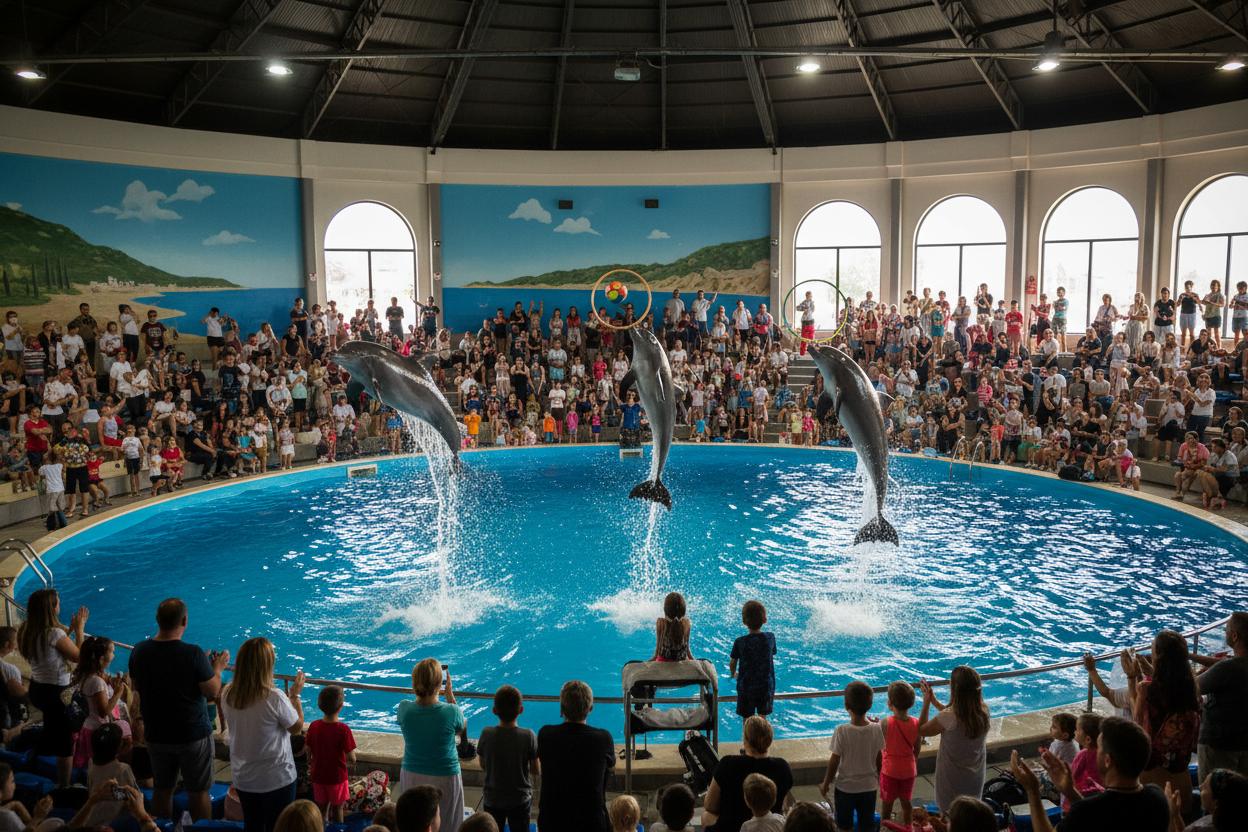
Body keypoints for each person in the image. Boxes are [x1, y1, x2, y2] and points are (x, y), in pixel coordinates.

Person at [128, 598, 231, 821]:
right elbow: (213, 691)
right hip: (192, 734)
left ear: (157, 620)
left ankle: (162, 827)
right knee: (198, 791)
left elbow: (135, 685)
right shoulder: (193, 654)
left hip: (156, 733)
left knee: (162, 789)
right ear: (184, 620)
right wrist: (217, 668)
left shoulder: (139, 651)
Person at [1009, 716, 1170, 832]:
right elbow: (1098, 816)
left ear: (1107, 760)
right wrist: (1070, 791)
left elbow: (1092, 814)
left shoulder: (1085, 812)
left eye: (1099, 747)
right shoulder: (1157, 798)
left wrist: (1032, 791)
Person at [220, 638, 305, 832]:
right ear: (268, 665)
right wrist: (295, 697)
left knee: (253, 824)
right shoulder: (273, 697)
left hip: (244, 778)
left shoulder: (228, 693)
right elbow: (296, 728)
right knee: (279, 826)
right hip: (277, 778)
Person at [18, 589, 87, 786]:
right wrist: (80, 629)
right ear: (51, 608)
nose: (60, 604)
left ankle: (33, 757)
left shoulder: (27, 629)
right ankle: (64, 786)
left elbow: (49, 647)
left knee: (51, 726)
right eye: (58, 602)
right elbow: (79, 659)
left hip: (38, 689)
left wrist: (70, 631)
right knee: (65, 742)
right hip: (56, 694)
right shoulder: (54, 633)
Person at [1131, 630, 1201, 811]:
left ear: (1159, 656)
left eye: (1153, 649)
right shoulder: (1191, 692)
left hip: (1152, 786)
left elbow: (1137, 726)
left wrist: (1132, 677)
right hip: (1181, 786)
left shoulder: (1147, 690)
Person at [536, 680, 614, 832]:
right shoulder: (603, 738)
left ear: (562, 709)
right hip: (592, 822)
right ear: (590, 708)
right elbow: (609, 765)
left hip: (552, 821)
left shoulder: (546, 735)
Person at [397, 659, 466, 832]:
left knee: (413, 824)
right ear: (439, 684)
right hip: (445, 776)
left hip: (412, 774)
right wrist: (450, 696)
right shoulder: (451, 711)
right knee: (449, 824)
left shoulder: (404, 709)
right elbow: (460, 727)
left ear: (414, 683)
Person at [702, 716, 793, 832]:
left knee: (706, 815)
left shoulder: (727, 764)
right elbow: (783, 807)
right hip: (768, 827)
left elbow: (710, 805)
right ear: (769, 740)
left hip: (730, 828)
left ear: (745, 740)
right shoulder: (783, 767)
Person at [918, 667, 989, 813]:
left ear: (955, 689)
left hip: (952, 780)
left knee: (951, 815)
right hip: (974, 777)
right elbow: (956, 716)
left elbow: (921, 730)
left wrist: (926, 702)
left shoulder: (949, 716)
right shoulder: (982, 711)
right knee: (970, 813)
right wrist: (935, 702)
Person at [818, 680, 883, 832]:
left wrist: (826, 783)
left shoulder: (842, 730)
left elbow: (834, 760)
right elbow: (879, 757)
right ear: (870, 705)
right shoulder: (876, 729)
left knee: (844, 826)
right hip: (869, 787)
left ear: (846, 706)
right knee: (867, 825)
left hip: (845, 788)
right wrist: (880, 778)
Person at [1191, 612, 1248, 779]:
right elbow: (1222, 665)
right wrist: (1190, 655)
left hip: (1219, 745)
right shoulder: (1233, 665)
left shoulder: (1229, 669)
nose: (1225, 632)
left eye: (1227, 629)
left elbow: (1191, 687)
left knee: (1213, 796)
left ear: (1235, 636)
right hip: (1243, 743)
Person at [476, 685, 538, 832]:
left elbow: (483, 764)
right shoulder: (528, 735)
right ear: (521, 710)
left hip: (493, 799)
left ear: (494, 710)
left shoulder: (486, 734)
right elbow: (536, 769)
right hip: (520, 800)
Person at [305, 685, 357, 822]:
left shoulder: (314, 726)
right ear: (341, 707)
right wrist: (351, 761)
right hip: (337, 778)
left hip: (318, 776)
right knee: (337, 808)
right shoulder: (343, 730)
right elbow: (352, 757)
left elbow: (308, 751)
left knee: (321, 809)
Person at [878, 681, 920, 827]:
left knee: (887, 804)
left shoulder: (885, 723)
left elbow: (880, 745)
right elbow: (917, 749)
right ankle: (909, 826)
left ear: (890, 703)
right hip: (909, 770)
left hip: (890, 771)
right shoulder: (916, 723)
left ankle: (885, 826)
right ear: (911, 703)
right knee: (906, 802)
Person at [730, 600, 776, 719]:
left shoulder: (740, 642)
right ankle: (763, 737)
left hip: (746, 687)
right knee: (762, 718)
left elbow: (733, 662)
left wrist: (733, 674)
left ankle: (747, 737)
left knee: (747, 719)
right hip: (765, 686)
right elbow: (771, 654)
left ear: (744, 622)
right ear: (764, 619)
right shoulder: (770, 638)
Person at [652, 591, 693, 662]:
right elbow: (687, 650)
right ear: (683, 610)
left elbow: (657, 651)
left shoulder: (661, 623)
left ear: (665, 609)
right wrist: (694, 661)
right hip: (682, 659)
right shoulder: (686, 623)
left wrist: (649, 662)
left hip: (663, 660)